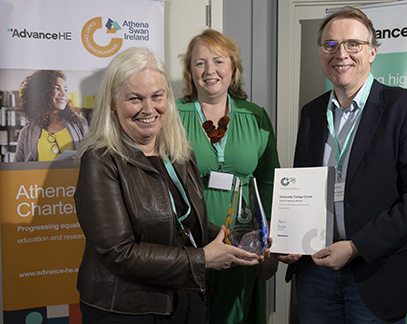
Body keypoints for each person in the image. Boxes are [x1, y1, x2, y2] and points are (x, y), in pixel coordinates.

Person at [275, 6, 407, 323]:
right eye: (331, 45)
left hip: (376, 273)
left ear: (372, 52)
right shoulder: (311, 113)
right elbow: (303, 187)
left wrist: (356, 247)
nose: (341, 54)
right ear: (322, 53)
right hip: (315, 273)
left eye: (353, 44)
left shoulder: (404, 107)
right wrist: (291, 239)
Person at [74, 47, 265, 324]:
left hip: (185, 300)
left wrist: (233, 240)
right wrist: (203, 260)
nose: (148, 109)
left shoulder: (178, 152)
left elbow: (185, 224)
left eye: (157, 96)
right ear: (113, 103)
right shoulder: (100, 160)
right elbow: (119, 253)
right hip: (127, 310)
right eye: (135, 99)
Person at [176, 29, 280, 324]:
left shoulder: (254, 115)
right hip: (189, 239)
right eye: (200, 63)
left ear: (233, 68)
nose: (210, 71)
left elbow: (270, 179)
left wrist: (270, 245)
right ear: (190, 71)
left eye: (218, 61)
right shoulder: (172, 114)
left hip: (244, 240)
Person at [14, 70, 88, 162]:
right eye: (57, 88)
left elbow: (90, 158)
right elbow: (17, 168)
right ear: (42, 92)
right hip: (38, 177)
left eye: (65, 89)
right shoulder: (26, 133)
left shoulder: (79, 124)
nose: (64, 94)